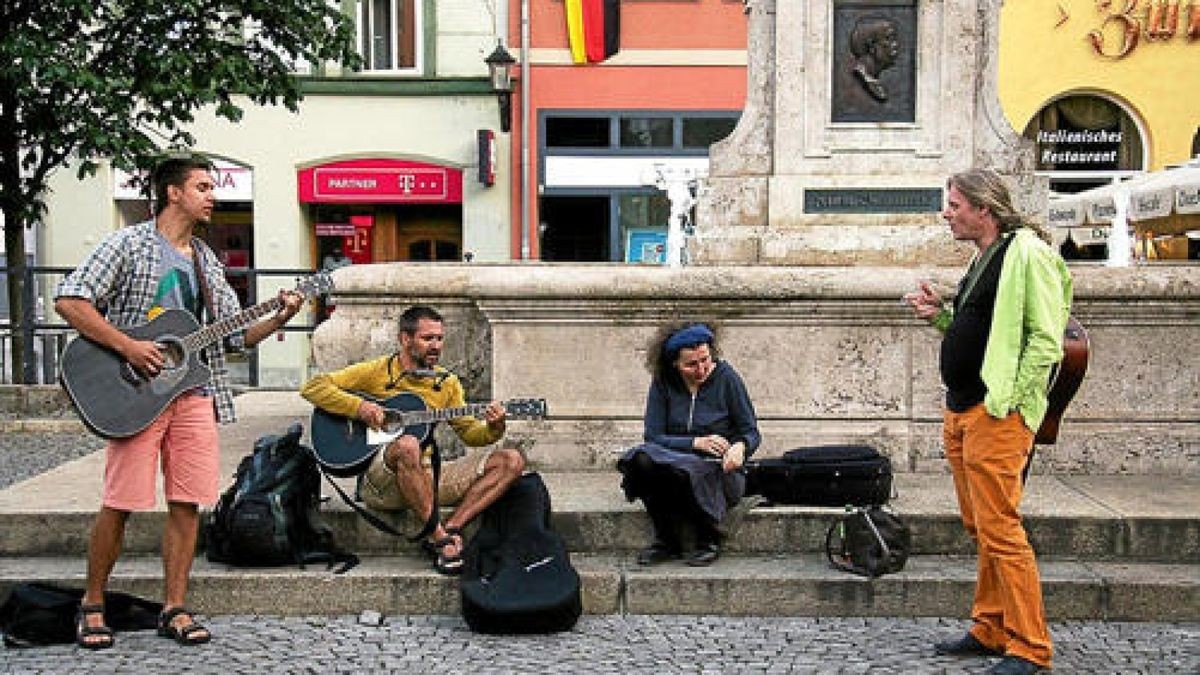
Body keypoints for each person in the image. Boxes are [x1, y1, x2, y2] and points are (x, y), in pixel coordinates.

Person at [54, 156, 304, 649]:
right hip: (136, 392)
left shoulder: (207, 263)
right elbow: (70, 299)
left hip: (194, 393)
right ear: (173, 193)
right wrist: (128, 346)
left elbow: (236, 338)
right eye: (204, 186)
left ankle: (175, 607)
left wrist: (279, 315)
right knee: (120, 503)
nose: (214, 195)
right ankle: (93, 603)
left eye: (214, 188)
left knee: (188, 502)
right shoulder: (127, 244)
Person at [904, 168, 1071, 675]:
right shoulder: (984, 257)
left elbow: (1046, 338)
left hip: (994, 412)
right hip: (963, 408)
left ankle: (1030, 646)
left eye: (954, 204)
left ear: (984, 207)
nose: (946, 213)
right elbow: (981, 331)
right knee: (981, 525)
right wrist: (940, 316)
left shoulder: (1028, 253)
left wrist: (1013, 406)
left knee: (1001, 528)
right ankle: (991, 626)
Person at [300, 305, 524, 575]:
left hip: (427, 475)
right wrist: (361, 408)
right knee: (407, 444)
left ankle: (449, 529)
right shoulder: (378, 370)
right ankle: (440, 539)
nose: (436, 346)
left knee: (511, 460)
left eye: (440, 338)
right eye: (427, 338)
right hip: (383, 482)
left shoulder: (446, 383)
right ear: (405, 339)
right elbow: (313, 387)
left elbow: (471, 434)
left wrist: (494, 426)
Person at [616, 322, 761, 567]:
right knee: (641, 460)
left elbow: (750, 431)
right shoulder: (663, 383)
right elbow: (653, 436)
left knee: (686, 472)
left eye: (705, 359)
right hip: (673, 461)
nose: (701, 368)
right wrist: (696, 443)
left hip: (716, 469)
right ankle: (667, 540)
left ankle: (708, 538)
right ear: (674, 364)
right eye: (691, 364)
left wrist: (740, 447)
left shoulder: (727, 378)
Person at [849, 17, 900, 102]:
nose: (895, 45)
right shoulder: (862, 79)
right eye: (888, 39)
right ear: (871, 46)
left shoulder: (876, 83)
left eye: (894, 39)